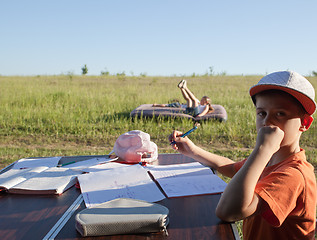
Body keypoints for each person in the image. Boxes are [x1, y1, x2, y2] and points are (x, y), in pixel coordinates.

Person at [169, 71, 316, 240]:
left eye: (280, 114)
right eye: (262, 113)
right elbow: (232, 167)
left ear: (304, 123)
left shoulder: (293, 175)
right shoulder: (270, 160)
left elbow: (229, 211)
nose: (267, 122)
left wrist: (262, 150)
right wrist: (192, 150)